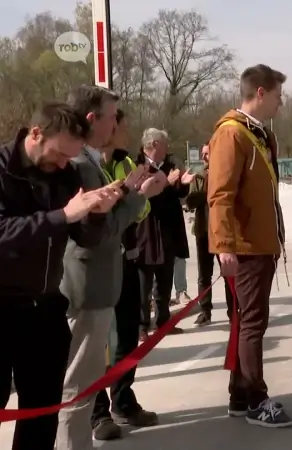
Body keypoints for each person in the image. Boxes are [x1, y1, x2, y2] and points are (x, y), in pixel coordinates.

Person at [0, 102, 118, 450]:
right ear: (35, 134)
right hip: (2, 305)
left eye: (71, 157)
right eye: (59, 154)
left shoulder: (65, 174)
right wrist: (62, 215)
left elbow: (85, 239)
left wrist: (96, 214)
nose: (64, 164)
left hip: (45, 307)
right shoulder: (4, 170)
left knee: (42, 410)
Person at [57, 90, 166, 450]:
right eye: (112, 116)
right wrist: (139, 196)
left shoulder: (94, 162)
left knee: (84, 380)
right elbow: (100, 231)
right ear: (93, 119)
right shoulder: (79, 165)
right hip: (87, 285)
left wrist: (126, 190)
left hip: (99, 282)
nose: (117, 124)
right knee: (79, 384)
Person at [208, 64, 292, 428]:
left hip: (259, 245)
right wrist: (224, 244)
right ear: (260, 93)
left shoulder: (255, 134)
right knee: (252, 323)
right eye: (277, 96)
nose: (280, 103)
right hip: (245, 248)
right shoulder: (232, 134)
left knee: (247, 321)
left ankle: (240, 395)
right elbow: (220, 194)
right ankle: (257, 399)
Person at [91, 110, 164, 439]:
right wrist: (130, 196)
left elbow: (142, 210)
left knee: (127, 334)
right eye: (123, 125)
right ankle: (96, 412)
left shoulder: (125, 162)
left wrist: (139, 196)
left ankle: (122, 399)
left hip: (125, 260)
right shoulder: (84, 164)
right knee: (94, 343)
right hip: (92, 267)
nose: (127, 132)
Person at [136, 129, 193, 339]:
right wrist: (167, 182)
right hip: (146, 230)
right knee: (143, 283)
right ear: (154, 144)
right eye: (164, 144)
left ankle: (163, 322)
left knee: (165, 279)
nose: (167, 148)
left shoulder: (169, 165)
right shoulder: (137, 165)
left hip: (168, 231)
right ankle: (141, 326)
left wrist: (183, 185)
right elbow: (145, 196)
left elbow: (175, 194)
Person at [186, 142, 235, 327]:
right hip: (202, 231)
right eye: (203, 154)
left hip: (221, 231)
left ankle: (233, 311)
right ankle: (205, 311)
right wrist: (207, 192)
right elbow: (190, 201)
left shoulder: (225, 174)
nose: (204, 157)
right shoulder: (199, 177)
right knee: (203, 275)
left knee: (227, 273)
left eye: (207, 153)